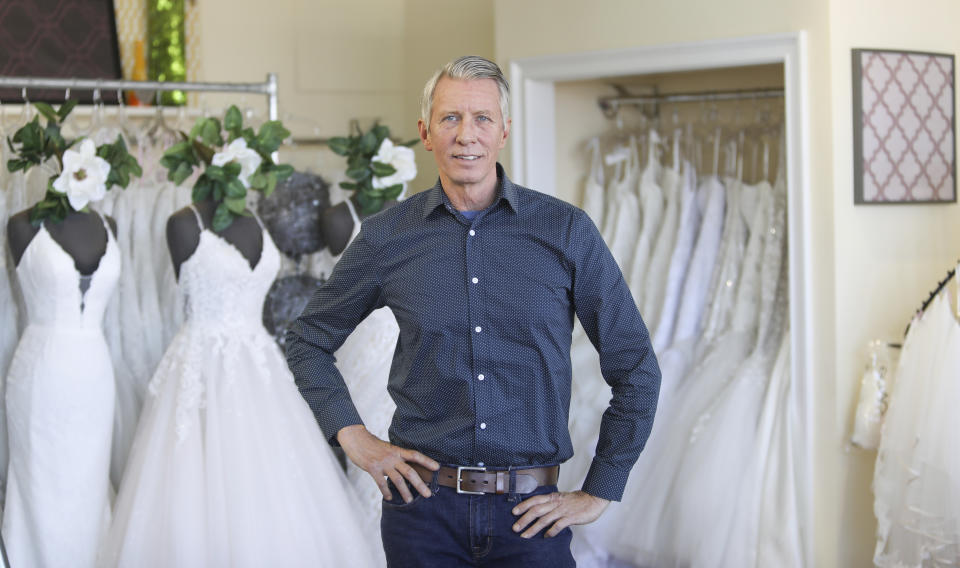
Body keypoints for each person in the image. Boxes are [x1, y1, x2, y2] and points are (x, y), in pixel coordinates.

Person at [286, 55, 661, 567]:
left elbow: (636, 368)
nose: (467, 135)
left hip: (532, 517)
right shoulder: (387, 239)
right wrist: (355, 438)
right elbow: (307, 340)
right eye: (450, 118)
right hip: (422, 516)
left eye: (483, 118)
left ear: (504, 130)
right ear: (426, 132)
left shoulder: (566, 232)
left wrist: (600, 490)